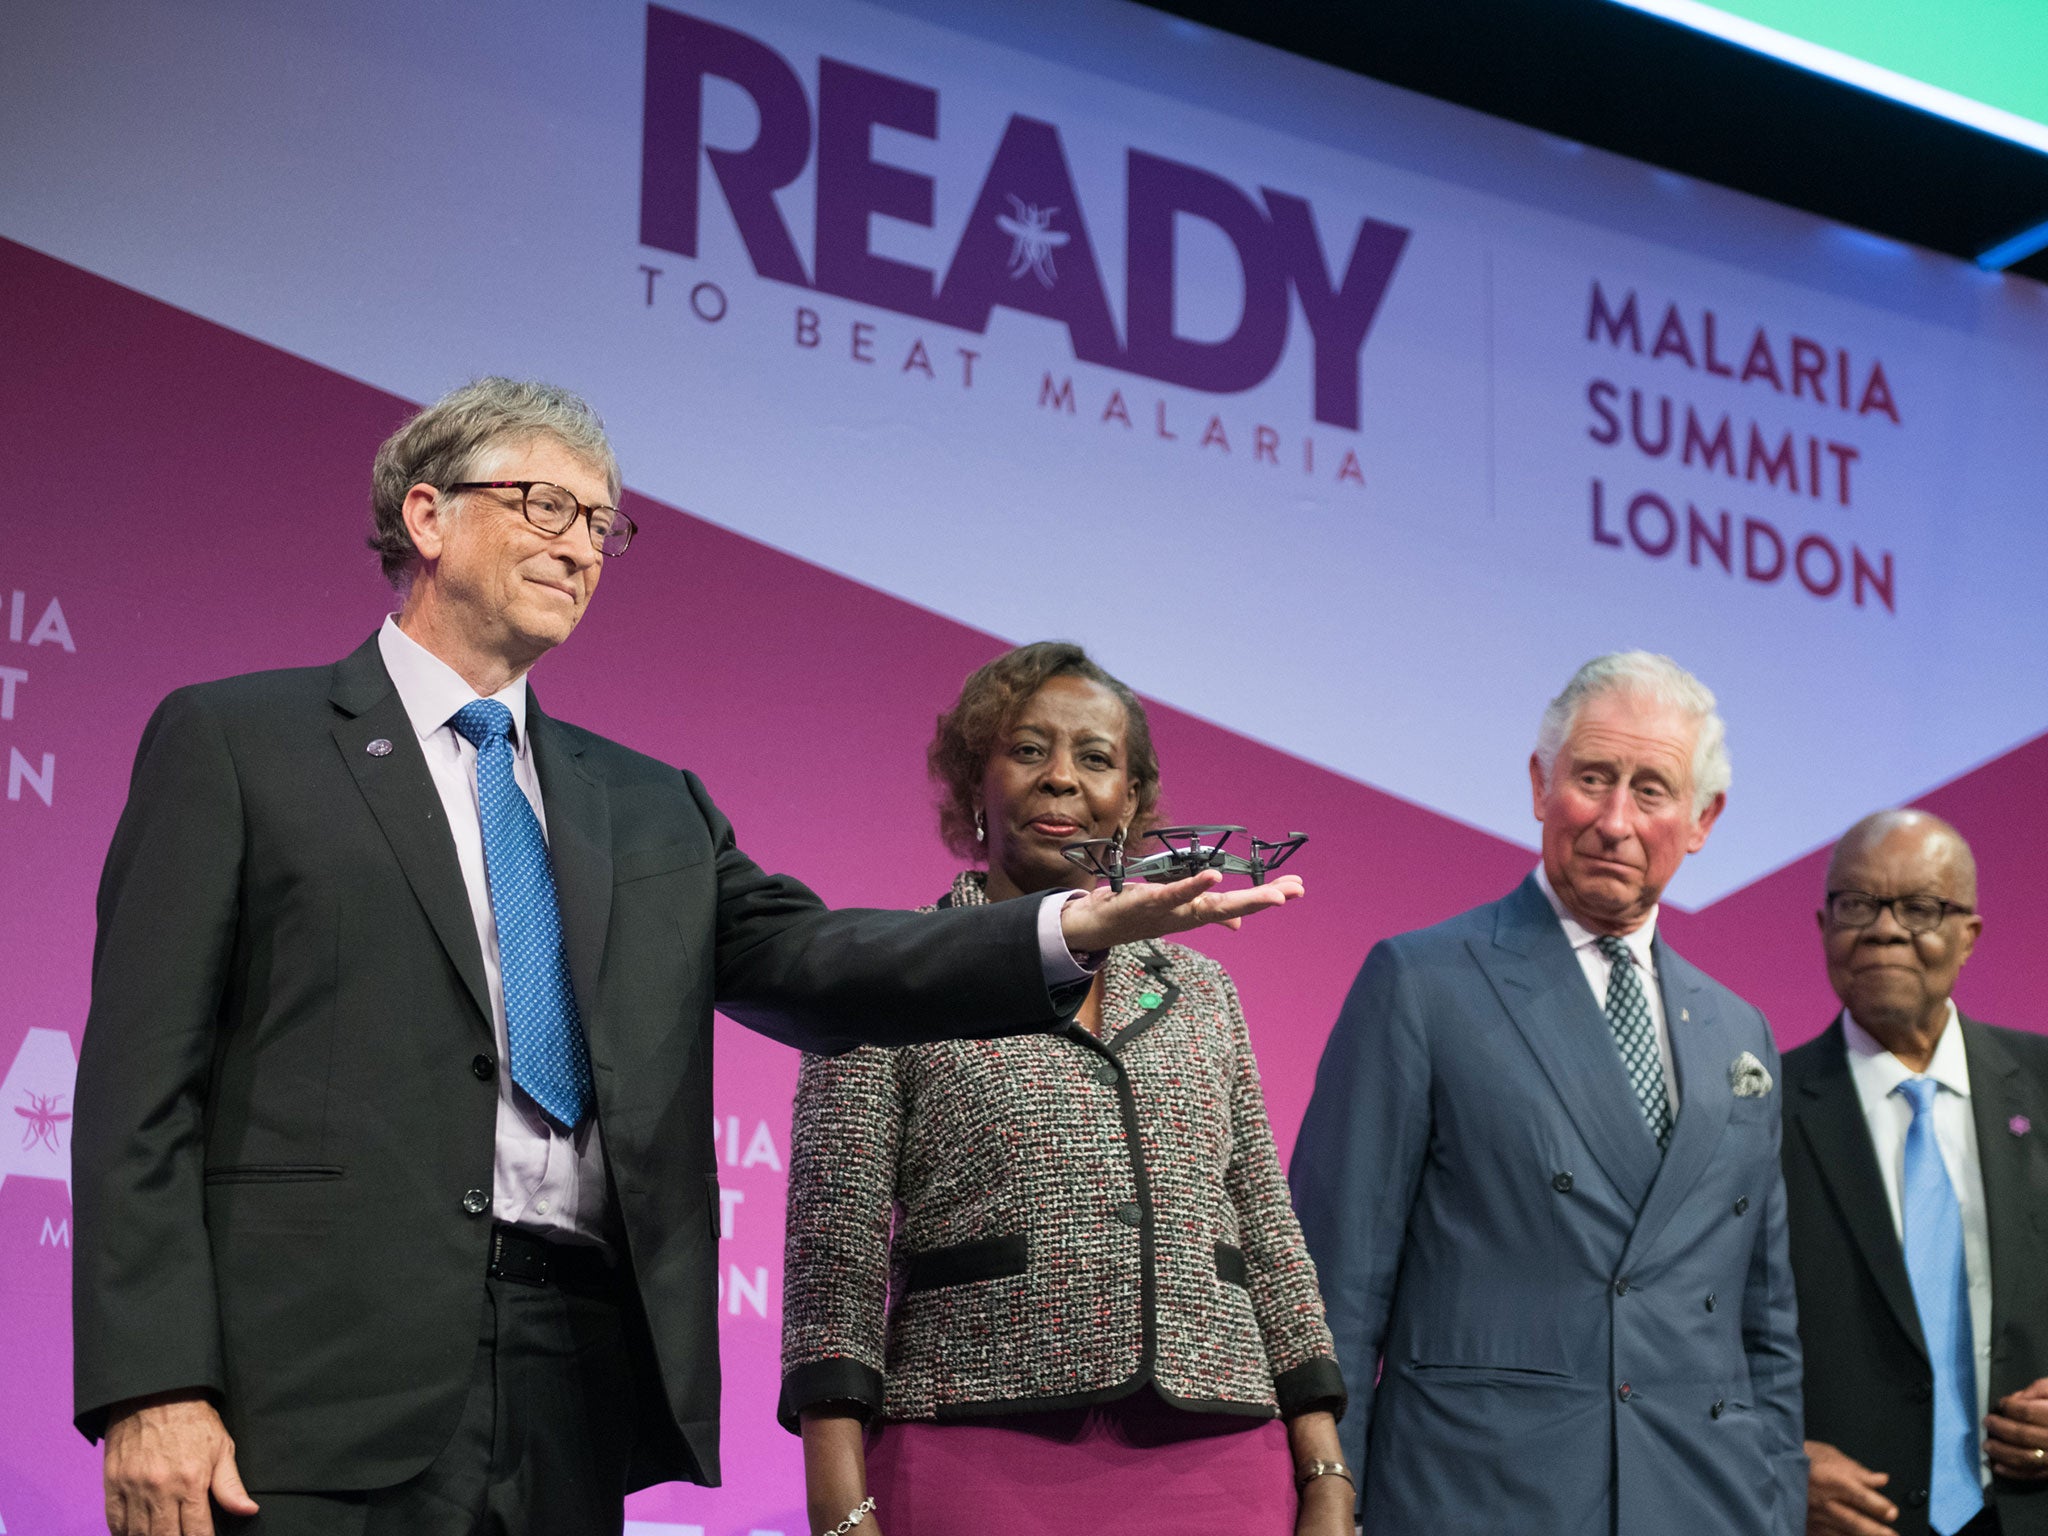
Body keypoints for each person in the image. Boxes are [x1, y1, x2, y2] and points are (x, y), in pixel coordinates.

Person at [70, 381, 1303, 1536]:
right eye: (544, 505)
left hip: (573, 1371)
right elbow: (139, 1095)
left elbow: (815, 959)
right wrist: (154, 1384)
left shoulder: (649, 807)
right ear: (427, 515)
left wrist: (1065, 929)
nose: (578, 544)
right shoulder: (242, 744)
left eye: (604, 523)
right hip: (308, 1384)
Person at [778, 642, 1348, 1536]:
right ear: (975, 784)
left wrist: (1325, 1472)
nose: (1060, 780)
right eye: (1027, 749)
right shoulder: (890, 973)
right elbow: (833, 1257)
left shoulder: (1203, 993)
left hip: (1224, 1460)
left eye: (1095, 758)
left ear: (1134, 801)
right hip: (975, 1451)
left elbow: (1267, 1232)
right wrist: (840, 1510)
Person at [1290, 650, 1805, 1535]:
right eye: (1592, 778)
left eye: (1651, 790)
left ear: (1703, 818)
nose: (1614, 819)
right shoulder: (1424, 982)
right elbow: (1332, 1289)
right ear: (1539, 784)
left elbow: (1766, 1325)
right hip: (1481, 1495)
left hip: (1703, 1502)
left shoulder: (1738, 1031)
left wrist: (1777, 1498)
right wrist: (1328, 1493)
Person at [1783, 809, 2048, 1536]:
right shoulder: (1755, 1112)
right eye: (1857, 905)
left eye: (1920, 908)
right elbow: (1693, 1331)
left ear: (1969, 935)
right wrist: (1768, 1463)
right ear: (1823, 925)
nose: (1885, 930)